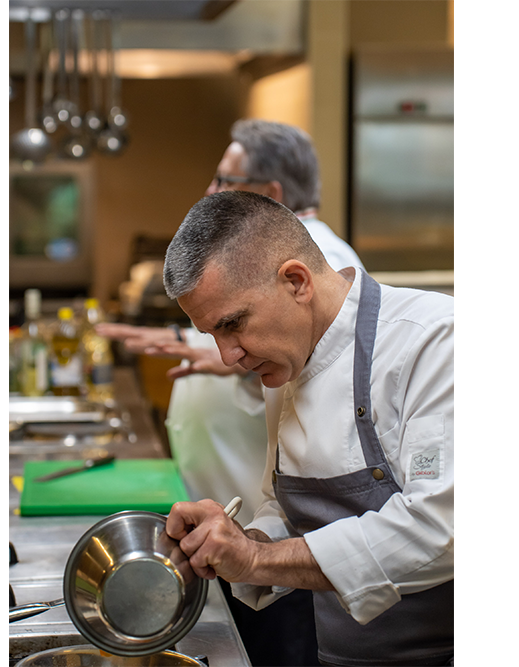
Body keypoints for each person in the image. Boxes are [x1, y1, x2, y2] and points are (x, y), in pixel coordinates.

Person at [97, 120, 362, 666]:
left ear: (271, 193)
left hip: (301, 567)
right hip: (261, 536)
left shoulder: (324, 260)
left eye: (225, 180)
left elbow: (342, 460)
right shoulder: (256, 271)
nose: (211, 191)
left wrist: (260, 555)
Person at [161, 190, 454, 667]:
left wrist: (258, 560)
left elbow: (439, 528)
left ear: (296, 281)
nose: (227, 357)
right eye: (213, 335)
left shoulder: (434, 340)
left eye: (233, 324)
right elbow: (286, 507)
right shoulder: (287, 361)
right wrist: (241, 542)